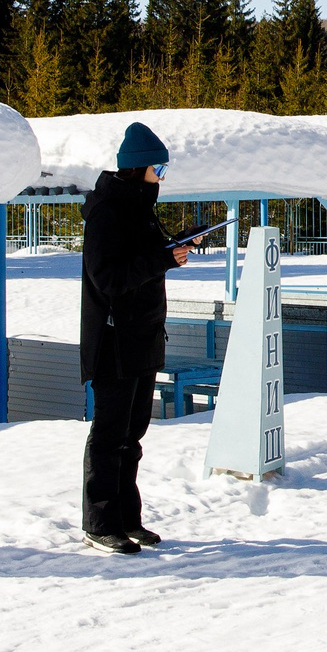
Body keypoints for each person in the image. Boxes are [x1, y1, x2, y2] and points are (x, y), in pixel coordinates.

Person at [80, 121, 192, 554]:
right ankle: (100, 522)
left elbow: (144, 261)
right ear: (138, 168)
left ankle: (127, 518)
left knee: (133, 435)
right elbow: (108, 279)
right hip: (114, 344)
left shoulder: (140, 208)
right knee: (109, 435)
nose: (161, 178)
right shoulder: (107, 212)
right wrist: (161, 259)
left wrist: (172, 251)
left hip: (143, 339)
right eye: (158, 170)